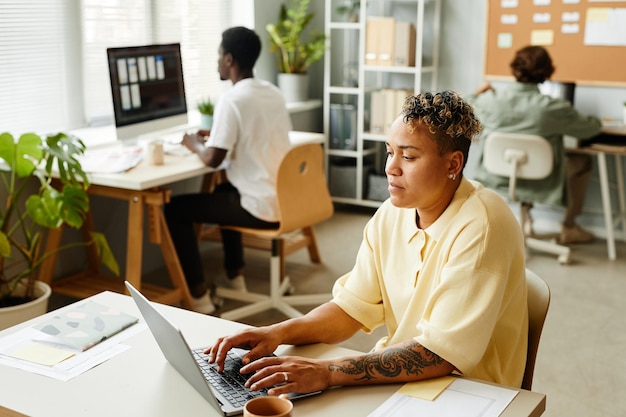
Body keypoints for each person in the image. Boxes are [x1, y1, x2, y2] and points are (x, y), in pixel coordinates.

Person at [207, 91, 529, 395]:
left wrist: (328, 371)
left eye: (409, 156)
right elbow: (351, 308)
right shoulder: (391, 214)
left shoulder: (483, 224)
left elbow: (440, 354)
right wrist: (277, 332)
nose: (391, 167)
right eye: (390, 152)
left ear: (453, 165)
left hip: (470, 391)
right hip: (410, 380)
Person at [164, 26, 292, 314]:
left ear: (230, 60)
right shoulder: (271, 92)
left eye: (219, 55)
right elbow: (256, 132)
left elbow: (211, 159)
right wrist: (218, 132)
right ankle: (235, 277)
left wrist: (194, 143)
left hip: (261, 207)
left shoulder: (232, 99)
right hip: (286, 200)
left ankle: (198, 297)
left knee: (173, 209)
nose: (217, 62)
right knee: (224, 190)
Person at [467, 45, 602, 244]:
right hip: (541, 180)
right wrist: (597, 121)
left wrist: (479, 92)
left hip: (496, 176)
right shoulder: (553, 108)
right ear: (546, 72)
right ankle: (569, 226)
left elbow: (463, 108)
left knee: (522, 162)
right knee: (584, 160)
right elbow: (591, 129)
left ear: (515, 68)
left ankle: (526, 218)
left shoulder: (490, 102)